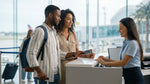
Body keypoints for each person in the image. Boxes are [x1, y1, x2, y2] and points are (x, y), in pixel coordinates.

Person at [95, 17, 144, 84]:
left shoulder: (133, 43)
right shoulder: (126, 42)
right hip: (129, 76)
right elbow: (122, 62)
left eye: (121, 28)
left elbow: (123, 63)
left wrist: (104, 63)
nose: (119, 30)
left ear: (128, 28)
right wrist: (106, 59)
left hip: (134, 77)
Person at [56, 9, 95, 84]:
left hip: (74, 66)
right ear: (62, 19)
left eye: (72, 19)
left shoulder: (73, 34)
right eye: (68, 19)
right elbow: (55, 53)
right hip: (61, 68)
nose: (71, 22)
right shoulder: (55, 34)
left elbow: (77, 53)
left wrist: (86, 56)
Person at [26, 5, 62, 84]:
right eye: (58, 16)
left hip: (55, 75)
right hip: (43, 76)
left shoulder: (53, 32)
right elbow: (31, 53)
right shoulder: (40, 31)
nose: (60, 18)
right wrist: (39, 72)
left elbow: (57, 52)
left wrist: (73, 54)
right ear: (50, 15)